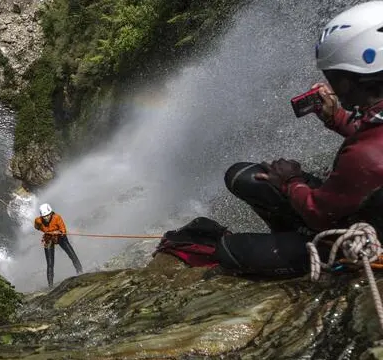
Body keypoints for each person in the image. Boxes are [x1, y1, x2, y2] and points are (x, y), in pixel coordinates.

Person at [156, 1, 383, 277]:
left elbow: (319, 212)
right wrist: (334, 117)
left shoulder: (365, 156)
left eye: (334, 77)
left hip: (361, 236)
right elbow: (371, 134)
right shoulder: (373, 130)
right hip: (359, 206)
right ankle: (293, 236)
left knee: (229, 249)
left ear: (352, 79)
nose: (331, 86)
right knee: (241, 175)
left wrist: (290, 181)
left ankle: (307, 246)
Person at [34, 203, 83, 288]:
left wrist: (57, 232)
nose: (46, 218)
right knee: (50, 264)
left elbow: (63, 230)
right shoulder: (38, 220)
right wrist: (46, 231)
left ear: (51, 213)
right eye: (44, 216)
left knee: (72, 255)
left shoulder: (57, 217)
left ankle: (81, 273)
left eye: (47, 215)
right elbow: (36, 226)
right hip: (48, 238)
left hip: (60, 237)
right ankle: (50, 286)